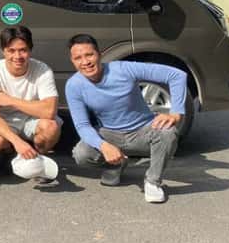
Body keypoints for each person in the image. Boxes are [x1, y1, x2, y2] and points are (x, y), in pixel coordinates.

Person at [66, 33, 186, 203]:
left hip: (143, 131)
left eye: (89, 55)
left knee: (168, 132)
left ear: (99, 54)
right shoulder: (74, 85)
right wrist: (104, 146)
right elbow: (82, 125)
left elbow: (176, 75)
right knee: (81, 154)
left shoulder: (123, 69)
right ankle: (116, 164)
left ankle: (153, 181)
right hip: (110, 134)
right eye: (78, 58)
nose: (85, 62)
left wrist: (176, 112)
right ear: (72, 61)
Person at [0, 25, 61, 181]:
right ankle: (8, 155)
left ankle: (37, 160)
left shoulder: (42, 70)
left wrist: (10, 101)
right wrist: (17, 142)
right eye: (11, 50)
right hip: (6, 121)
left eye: (23, 50)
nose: (17, 56)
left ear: (30, 50)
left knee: (51, 127)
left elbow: (49, 111)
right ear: (3, 51)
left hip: (31, 120)